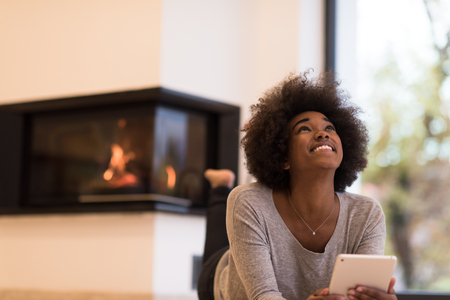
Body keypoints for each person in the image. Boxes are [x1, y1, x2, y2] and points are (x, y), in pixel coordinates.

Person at [197, 71, 397, 300]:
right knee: (217, 249)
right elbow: (263, 296)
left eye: (330, 128)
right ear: (282, 157)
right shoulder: (248, 201)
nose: (323, 133)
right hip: (220, 284)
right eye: (304, 129)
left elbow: (359, 293)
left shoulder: (367, 214)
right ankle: (220, 186)